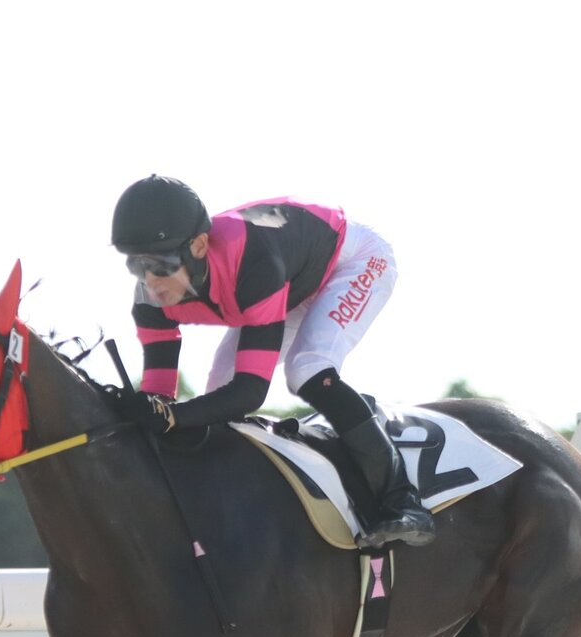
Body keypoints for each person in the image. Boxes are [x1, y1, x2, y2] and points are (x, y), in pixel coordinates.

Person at [109, 174, 436, 549]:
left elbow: (250, 392)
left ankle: (403, 501)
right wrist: (146, 412)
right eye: (137, 266)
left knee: (307, 368)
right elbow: (160, 396)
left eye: (161, 265)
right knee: (218, 389)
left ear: (198, 246)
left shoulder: (253, 263)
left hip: (352, 260)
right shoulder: (149, 301)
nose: (150, 281)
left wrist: (174, 417)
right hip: (291, 279)